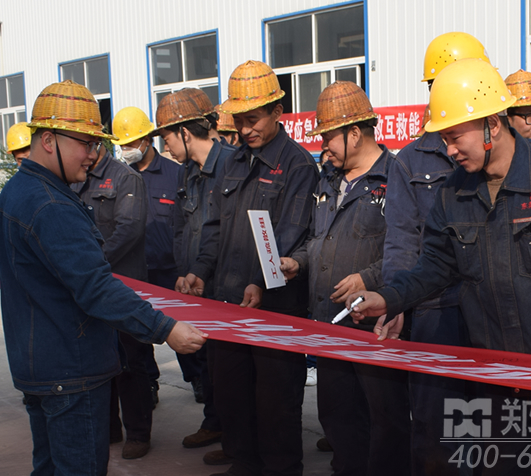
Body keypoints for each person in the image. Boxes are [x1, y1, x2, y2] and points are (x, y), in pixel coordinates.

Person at [346, 59, 531, 475]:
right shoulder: (453, 193)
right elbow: (434, 266)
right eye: (444, 139)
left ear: (492, 124)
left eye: (456, 137)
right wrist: (388, 297)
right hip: (498, 380)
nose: (449, 150)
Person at [0, 79, 205, 475]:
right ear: (48, 140)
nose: (93, 154)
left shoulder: (17, 192)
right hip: (70, 369)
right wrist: (166, 328)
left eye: (96, 144)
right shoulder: (51, 205)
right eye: (85, 143)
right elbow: (95, 287)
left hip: (40, 367)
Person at [180, 60, 320, 476]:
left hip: (276, 305)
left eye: (253, 119)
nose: (245, 129)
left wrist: (261, 281)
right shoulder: (232, 162)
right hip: (228, 301)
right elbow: (214, 226)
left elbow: (291, 232)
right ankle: (244, 463)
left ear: (278, 111)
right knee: (232, 394)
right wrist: (201, 270)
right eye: (239, 121)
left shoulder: (298, 166)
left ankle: (280, 468)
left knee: (276, 400)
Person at [281, 81, 411, 476]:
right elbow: (317, 239)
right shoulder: (327, 181)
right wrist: (298, 263)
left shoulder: (397, 177)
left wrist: (368, 277)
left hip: (374, 328)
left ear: (354, 133)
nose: (323, 146)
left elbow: (409, 247)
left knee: (385, 420)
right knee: (337, 417)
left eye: (328, 137)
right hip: (329, 323)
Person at [383, 32, 489, 476]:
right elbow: (401, 238)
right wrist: (395, 300)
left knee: (489, 425)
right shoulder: (411, 161)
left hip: (491, 312)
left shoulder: (498, 153)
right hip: (434, 312)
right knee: (435, 425)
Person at [156, 88, 236, 456]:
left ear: (185, 133)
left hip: (224, 288)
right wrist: (182, 272)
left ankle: (235, 439)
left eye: (167, 138)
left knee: (229, 370)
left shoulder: (232, 167)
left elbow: (227, 234)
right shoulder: (188, 173)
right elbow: (181, 227)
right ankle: (216, 423)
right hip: (194, 285)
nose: (166, 147)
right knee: (206, 364)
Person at [71, 138, 156, 459]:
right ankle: (109, 429)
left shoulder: (125, 178)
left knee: (131, 362)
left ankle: (139, 433)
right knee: (99, 360)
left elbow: (129, 229)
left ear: (96, 146)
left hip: (124, 288)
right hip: (92, 289)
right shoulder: (76, 177)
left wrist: (92, 263)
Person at [112, 106, 181, 408]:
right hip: (134, 273)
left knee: (180, 328)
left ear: (147, 140)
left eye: (130, 143)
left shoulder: (175, 174)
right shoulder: (119, 177)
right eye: (122, 145)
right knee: (138, 334)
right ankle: (149, 382)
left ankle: (198, 379)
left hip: (169, 270)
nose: (126, 150)